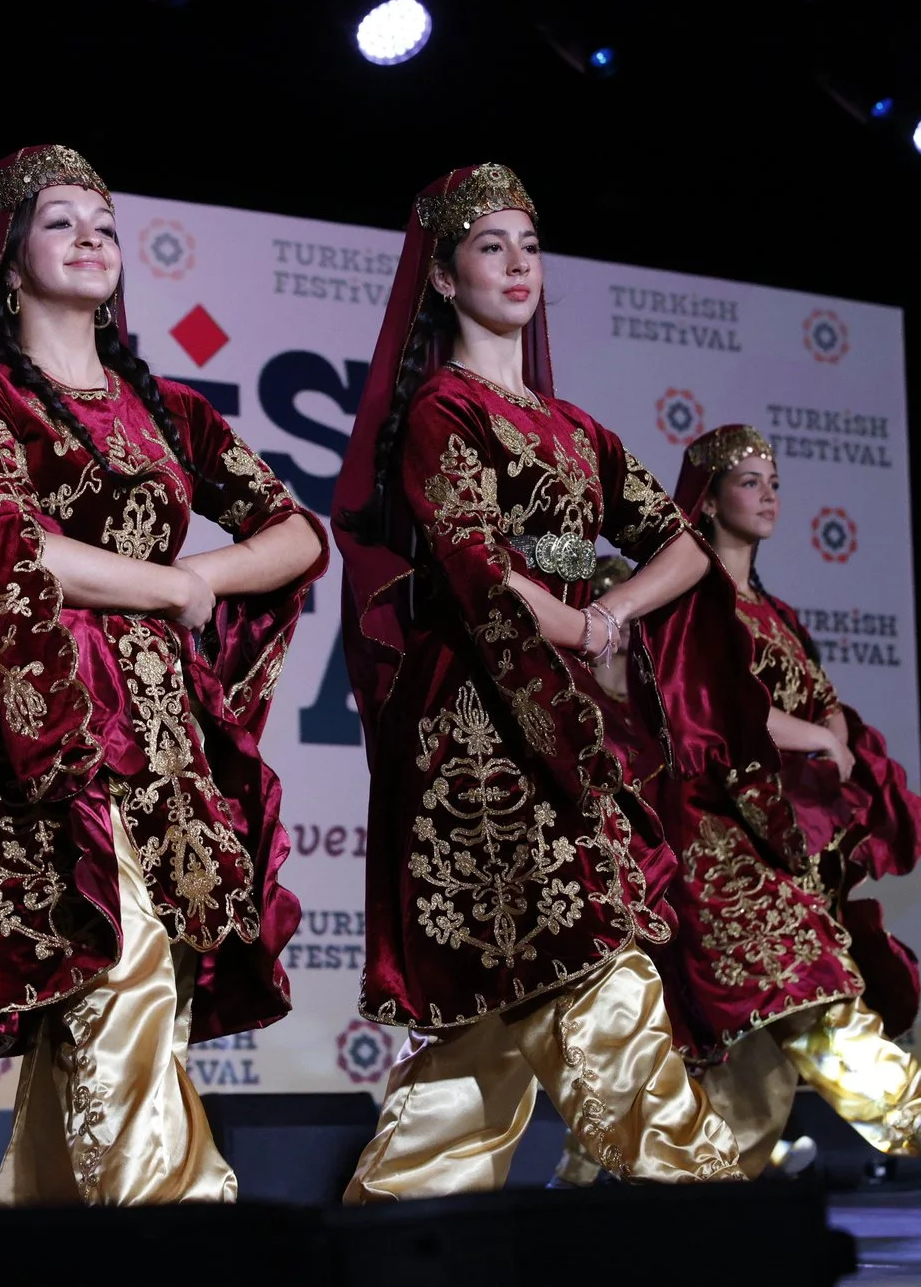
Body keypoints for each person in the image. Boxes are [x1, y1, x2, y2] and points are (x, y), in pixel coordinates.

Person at [0, 143, 326, 1204]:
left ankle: (44, 1213)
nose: (92, 236)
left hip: (167, 722)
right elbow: (5, 541)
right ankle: (175, 1220)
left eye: (104, 222)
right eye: (62, 221)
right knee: (118, 958)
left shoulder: (170, 409)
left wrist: (203, 576)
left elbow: (297, 533)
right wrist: (169, 588)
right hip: (52, 710)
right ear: (9, 263)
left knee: (145, 975)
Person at [331, 161, 742, 1197]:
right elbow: (473, 565)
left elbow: (683, 542)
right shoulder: (440, 409)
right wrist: (578, 623)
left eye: (529, 244)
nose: (517, 264)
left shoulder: (576, 429)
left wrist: (610, 612)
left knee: (501, 1006)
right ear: (440, 275)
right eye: (488, 246)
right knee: (589, 949)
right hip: (478, 721)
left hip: (569, 711)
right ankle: (698, 1198)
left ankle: (387, 1221)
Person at [654, 426, 921, 1184]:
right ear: (708, 500)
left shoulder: (771, 611)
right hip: (718, 843)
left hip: (779, 844)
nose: (769, 492)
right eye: (748, 480)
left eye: (774, 478)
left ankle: (668, 1205)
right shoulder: (689, 600)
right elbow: (715, 714)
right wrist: (816, 733)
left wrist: (834, 731)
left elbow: (822, 701)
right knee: (811, 995)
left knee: (749, 1064)